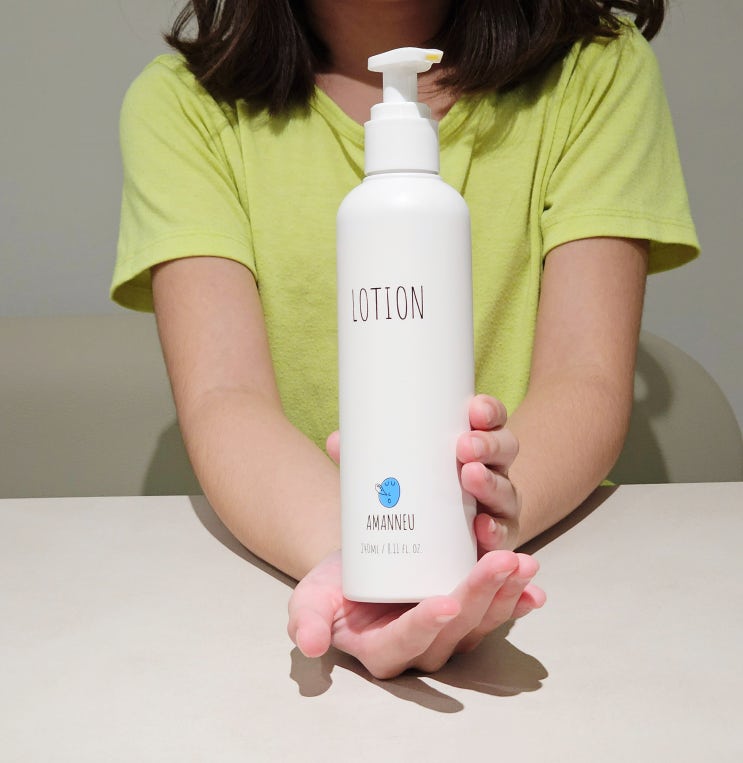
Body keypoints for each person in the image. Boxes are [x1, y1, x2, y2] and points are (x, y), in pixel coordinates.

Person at [111, 0, 698, 679]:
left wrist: (472, 539)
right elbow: (225, 397)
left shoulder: (593, 69)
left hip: (550, 570)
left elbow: (584, 376)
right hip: (295, 558)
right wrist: (354, 562)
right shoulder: (186, 105)